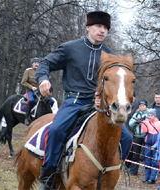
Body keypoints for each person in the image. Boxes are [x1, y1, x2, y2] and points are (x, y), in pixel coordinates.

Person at [35, 11, 133, 190]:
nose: (102, 31)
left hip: (99, 105)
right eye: (98, 26)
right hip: (75, 101)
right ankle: (48, 177)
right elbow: (45, 64)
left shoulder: (110, 56)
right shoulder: (70, 48)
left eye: (105, 28)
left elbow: (114, 83)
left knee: (127, 137)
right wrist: (43, 79)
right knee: (57, 130)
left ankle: (112, 170)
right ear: (88, 27)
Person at [128, 99, 148, 175]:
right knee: (135, 154)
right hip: (137, 136)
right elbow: (130, 123)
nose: (142, 107)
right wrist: (136, 121)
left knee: (147, 155)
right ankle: (133, 171)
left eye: (143, 106)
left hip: (146, 136)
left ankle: (148, 173)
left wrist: (143, 122)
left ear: (146, 106)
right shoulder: (136, 114)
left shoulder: (149, 113)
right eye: (140, 106)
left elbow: (153, 123)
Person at [141, 108, 160, 184]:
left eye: (151, 115)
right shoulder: (146, 122)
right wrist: (143, 122)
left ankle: (153, 178)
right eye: (148, 115)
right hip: (148, 144)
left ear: (154, 115)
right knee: (147, 160)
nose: (150, 117)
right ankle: (147, 177)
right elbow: (144, 130)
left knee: (155, 161)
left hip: (156, 145)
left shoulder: (159, 123)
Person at [21, 57, 41, 125]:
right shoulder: (28, 71)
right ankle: (27, 117)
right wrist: (31, 87)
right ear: (32, 64)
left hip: (40, 90)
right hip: (30, 90)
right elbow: (23, 82)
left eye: (37, 63)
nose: (36, 64)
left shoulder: (41, 71)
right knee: (31, 100)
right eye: (35, 63)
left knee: (50, 101)